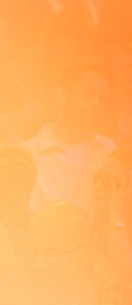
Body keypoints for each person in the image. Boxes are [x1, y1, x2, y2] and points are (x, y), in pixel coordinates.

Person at [24, 65, 117, 213]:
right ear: (62, 95)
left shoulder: (108, 152)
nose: (96, 104)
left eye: (102, 99)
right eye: (87, 93)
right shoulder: (27, 153)